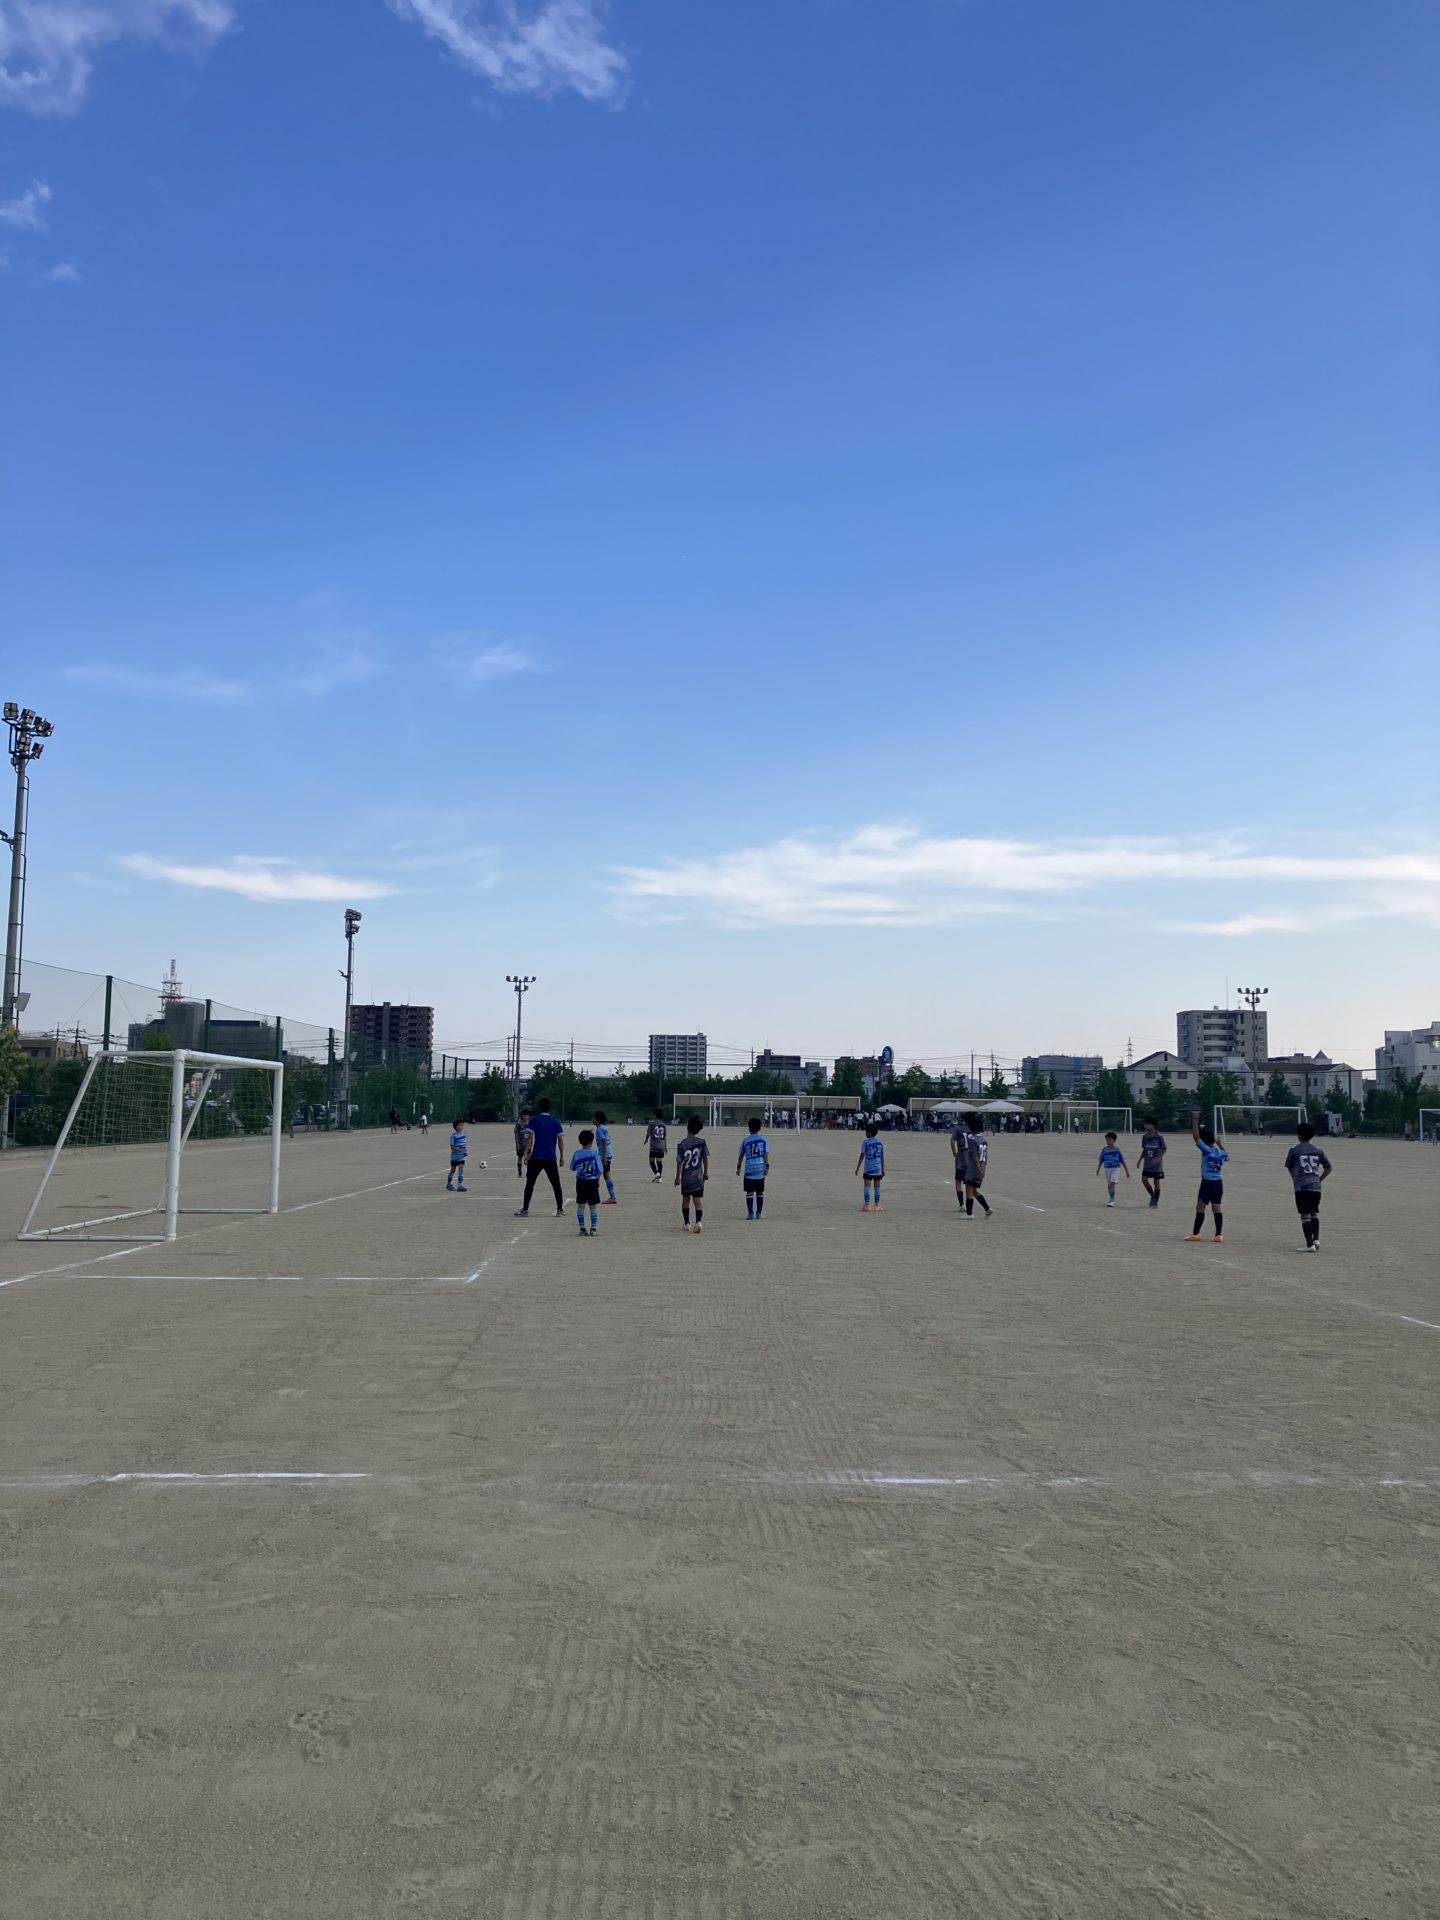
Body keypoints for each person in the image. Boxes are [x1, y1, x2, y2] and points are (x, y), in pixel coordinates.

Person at [1285, 1122, 1333, 1252]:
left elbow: (1289, 1166)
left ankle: (1309, 1244)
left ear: (1299, 1136)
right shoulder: (1318, 1150)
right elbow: (1328, 1167)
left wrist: (1295, 1177)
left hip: (1302, 1186)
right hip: (1316, 1186)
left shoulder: (1294, 1150)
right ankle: (1316, 1239)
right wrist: (1320, 1179)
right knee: (1314, 1212)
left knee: (1304, 1215)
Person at [515, 1097, 566, 1217]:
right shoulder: (555, 1122)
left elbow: (530, 1138)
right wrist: (562, 1156)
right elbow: (560, 1140)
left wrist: (526, 1153)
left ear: (540, 1107)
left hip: (537, 1157)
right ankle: (559, 1209)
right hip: (550, 1157)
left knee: (530, 1184)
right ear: (549, 1107)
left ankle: (525, 1209)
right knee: (556, 1184)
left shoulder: (535, 1120)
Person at [1186, 1112, 1229, 1242]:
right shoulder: (1220, 1152)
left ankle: (1196, 1233)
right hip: (1218, 1183)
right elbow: (1227, 1157)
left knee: (1200, 1207)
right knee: (1216, 1207)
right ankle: (1218, 1234)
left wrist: (1195, 1121)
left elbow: (1195, 1137)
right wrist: (1220, 1144)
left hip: (1207, 1182)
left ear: (1204, 1141)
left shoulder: (1207, 1151)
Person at [675, 1114, 709, 1232]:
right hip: (698, 1177)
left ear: (687, 1127)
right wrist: (706, 1172)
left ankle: (687, 1223)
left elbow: (679, 1161)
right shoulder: (702, 1142)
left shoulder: (682, 1144)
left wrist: (677, 1177)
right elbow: (705, 1158)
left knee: (686, 1199)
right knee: (697, 1200)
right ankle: (698, 1221)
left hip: (686, 1177)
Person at [570, 1128, 604, 1237]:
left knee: (581, 1205)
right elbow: (600, 1170)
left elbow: (573, 1167)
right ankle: (593, 1229)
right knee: (593, 1206)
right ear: (591, 1142)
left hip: (580, 1182)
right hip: (592, 1182)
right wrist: (597, 1179)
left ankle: (582, 1228)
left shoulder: (576, 1154)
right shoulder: (595, 1154)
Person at [736, 1116, 770, 1220]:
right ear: (759, 1128)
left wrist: (738, 1167)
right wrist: (767, 1167)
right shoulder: (763, 1140)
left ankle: (750, 1213)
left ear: (749, 1128)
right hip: (759, 1169)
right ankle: (759, 1213)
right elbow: (765, 1155)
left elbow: (741, 1155)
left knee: (749, 1192)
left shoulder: (746, 1140)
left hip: (749, 1169)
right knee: (760, 1191)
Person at [963, 1114, 992, 1217]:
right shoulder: (983, 1140)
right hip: (982, 1165)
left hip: (974, 1168)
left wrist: (978, 1169)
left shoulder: (972, 1140)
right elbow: (986, 1156)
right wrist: (983, 1169)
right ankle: (987, 1209)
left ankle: (969, 1214)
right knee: (974, 1190)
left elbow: (974, 1156)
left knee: (969, 1189)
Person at [855, 1123, 885, 1211]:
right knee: (877, 1187)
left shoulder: (865, 1142)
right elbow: (882, 1157)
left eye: (866, 1132)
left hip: (868, 1168)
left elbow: (862, 1155)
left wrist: (858, 1167)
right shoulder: (880, 1143)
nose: (865, 1133)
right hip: (877, 1168)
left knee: (867, 1186)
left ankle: (867, 1205)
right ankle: (877, 1205)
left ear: (869, 1133)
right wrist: (883, 1169)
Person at [1137, 1116, 1165, 1207]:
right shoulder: (1144, 1137)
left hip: (1156, 1165)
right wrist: (1139, 1160)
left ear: (1153, 1125)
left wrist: (1158, 1158)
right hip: (1147, 1162)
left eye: (1148, 1124)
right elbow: (1144, 1149)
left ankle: (1155, 1200)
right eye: (1145, 1124)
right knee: (1144, 1179)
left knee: (1156, 1182)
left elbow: (1164, 1149)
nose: (1145, 1126)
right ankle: (1152, 1196)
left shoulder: (1159, 1137)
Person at [1096, 1132, 1129, 1207]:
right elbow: (1101, 1160)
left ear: (1114, 1140)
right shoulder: (1104, 1150)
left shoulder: (1117, 1150)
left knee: (1112, 1183)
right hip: (1107, 1168)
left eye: (1109, 1140)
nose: (1108, 1142)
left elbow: (1122, 1161)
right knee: (1109, 1184)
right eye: (1107, 1140)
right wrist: (1098, 1169)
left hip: (1115, 1168)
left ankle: (1112, 1199)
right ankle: (1111, 1196)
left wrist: (1127, 1171)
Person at [593, 1110, 618, 1205]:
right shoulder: (603, 1127)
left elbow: (603, 1141)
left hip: (605, 1155)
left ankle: (593, 1197)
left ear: (597, 1120)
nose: (592, 1120)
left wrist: (604, 1157)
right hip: (608, 1153)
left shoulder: (599, 1129)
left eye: (594, 1118)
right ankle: (612, 1197)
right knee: (606, 1175)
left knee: (596, 1174)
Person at [949, 1113, 972, 1214]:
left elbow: (952, 1141)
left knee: (958, 1181)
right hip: (971, 1159)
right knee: (968, 1183)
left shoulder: (958, 1129)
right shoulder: (972, 1130)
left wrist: (954, 1152)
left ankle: (962, 1204)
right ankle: (968, 1205)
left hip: (961, 1159)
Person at [446, 1118, 468, 1193]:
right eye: (459, 1125)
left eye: (462, 1125)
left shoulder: (464, 1135)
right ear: (455, 1127)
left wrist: (464, 1152)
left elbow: (464, 1145)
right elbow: (452, 1147)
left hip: (461, 1156)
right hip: (455, 1156)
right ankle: (448, 1184)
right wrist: (460, 1150)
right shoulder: (453, 1136)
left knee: (461, 1169)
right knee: (453, 1169)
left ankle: (460, 1185)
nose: (461, 1127)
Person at [645, 1111, 668, 1181]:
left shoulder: (652, 1123)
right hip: (661, 1144)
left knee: (651, 1161)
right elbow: (664, 1137)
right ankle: (659, 1177)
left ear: (655, 1115)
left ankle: (657, 1174)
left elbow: (648, 1133)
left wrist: (646, 1140)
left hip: (653, 1145)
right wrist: (665, 1147)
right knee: (659, 1161)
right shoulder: (664, 1125)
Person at [513, 1108, 531, 1180]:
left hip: (527, 1144)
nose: (526, 1117)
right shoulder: (519, 1124)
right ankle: (519, 1172)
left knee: (529, 1158)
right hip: (521, 1144)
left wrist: (531, 1144)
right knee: (520, 1158)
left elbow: (531, 1135)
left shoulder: (530, 1124)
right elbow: (516, 1134)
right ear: (521, 1116)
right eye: (524, 1115)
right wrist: (517, 1144)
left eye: (527, 1115)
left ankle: (528, 1172)